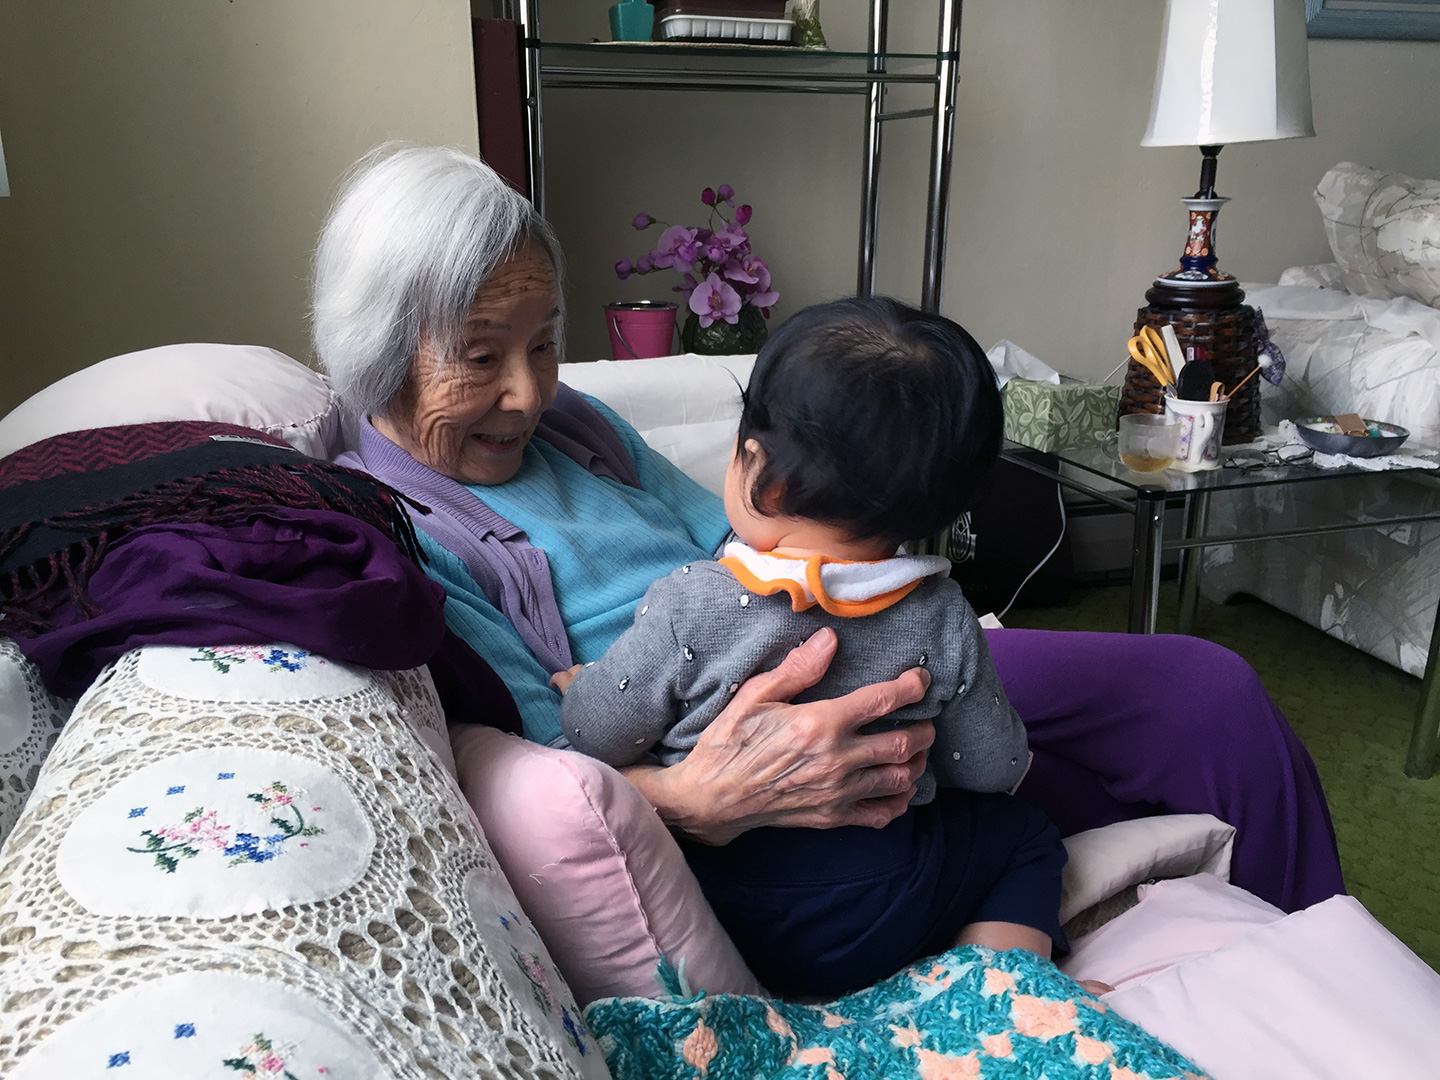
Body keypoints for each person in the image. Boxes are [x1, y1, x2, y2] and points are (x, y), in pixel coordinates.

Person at [314, 145, 1344, 942]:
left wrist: (896, 615)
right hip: (725, 742)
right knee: (1126, 764)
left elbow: (739, 523)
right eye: (481, 357)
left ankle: (1314, 963)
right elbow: (558, 758)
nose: (528, 393)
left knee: (1207, 703)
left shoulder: (575, 423)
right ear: (379, 349)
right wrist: (696, 800)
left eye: (543, 343)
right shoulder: (399, 524)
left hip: (869, 642)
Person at [552, 297, 1073, 997]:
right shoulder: (943, 614)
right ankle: (994, 996)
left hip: (723, 911)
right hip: (889, 906)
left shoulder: (691, 601)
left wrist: (579, 688)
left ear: (761, 470)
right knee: (1024, 834)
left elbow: (596, 734)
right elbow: (989, 768)